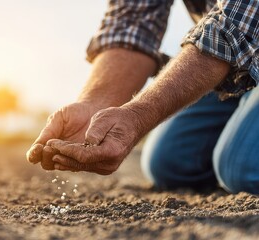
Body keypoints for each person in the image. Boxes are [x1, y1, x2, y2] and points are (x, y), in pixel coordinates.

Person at [26, 0, 259, 194]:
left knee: (241, 168)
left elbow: (234, 28)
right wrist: (94, 105)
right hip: (243, 64)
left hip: (244, 45)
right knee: (171, 163)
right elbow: (132, 23)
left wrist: (138, 115)